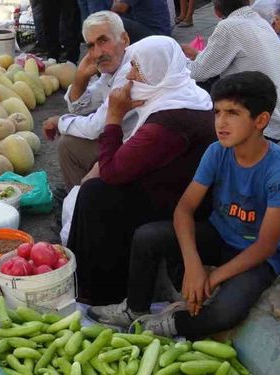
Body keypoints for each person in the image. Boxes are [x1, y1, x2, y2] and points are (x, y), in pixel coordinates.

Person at [87, 72, 280, 339]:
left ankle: (171, 324)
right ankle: (135, 309)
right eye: (218, 112)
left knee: (226, 313)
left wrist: (212, 279)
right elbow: (184, 210)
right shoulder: (217, 151)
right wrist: (193, 266)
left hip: (259, 256)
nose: (221, 122)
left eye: (233, 113)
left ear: (261, 120)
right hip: (221, 235)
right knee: (148, 236)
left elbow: (266, 246)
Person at [67, 36, 216, 306]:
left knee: (95, 195)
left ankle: (99, 292)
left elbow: (112, 172)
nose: (132, 76)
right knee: (95, 186)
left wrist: (114, 116)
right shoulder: (188, 94)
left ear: (159, 71)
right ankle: (82, 276)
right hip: (178, 189)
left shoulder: (169, 120)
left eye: (138, 68)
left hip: (180, 203)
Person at [42, 11, 132, 191]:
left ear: (124, 39)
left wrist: (59, 122)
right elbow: (81, 108)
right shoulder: (112, 71)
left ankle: (81, 204)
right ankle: (82, 202)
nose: (97, 53)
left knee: (68, 145)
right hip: (126, 140)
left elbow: (96, 127)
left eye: (103, 41)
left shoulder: (129, 71)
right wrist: (80, 79)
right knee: (70, 140)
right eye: (91, 46)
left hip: (134, 147)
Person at [181, 0, 280, 142]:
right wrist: (198, 55)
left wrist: (175, 60)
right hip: (279, 121)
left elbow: (198, 72)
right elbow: (223, 58)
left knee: (191, 87)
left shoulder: (228, 26)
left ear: (216, 11)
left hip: (264, 127)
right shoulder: (261, 21)